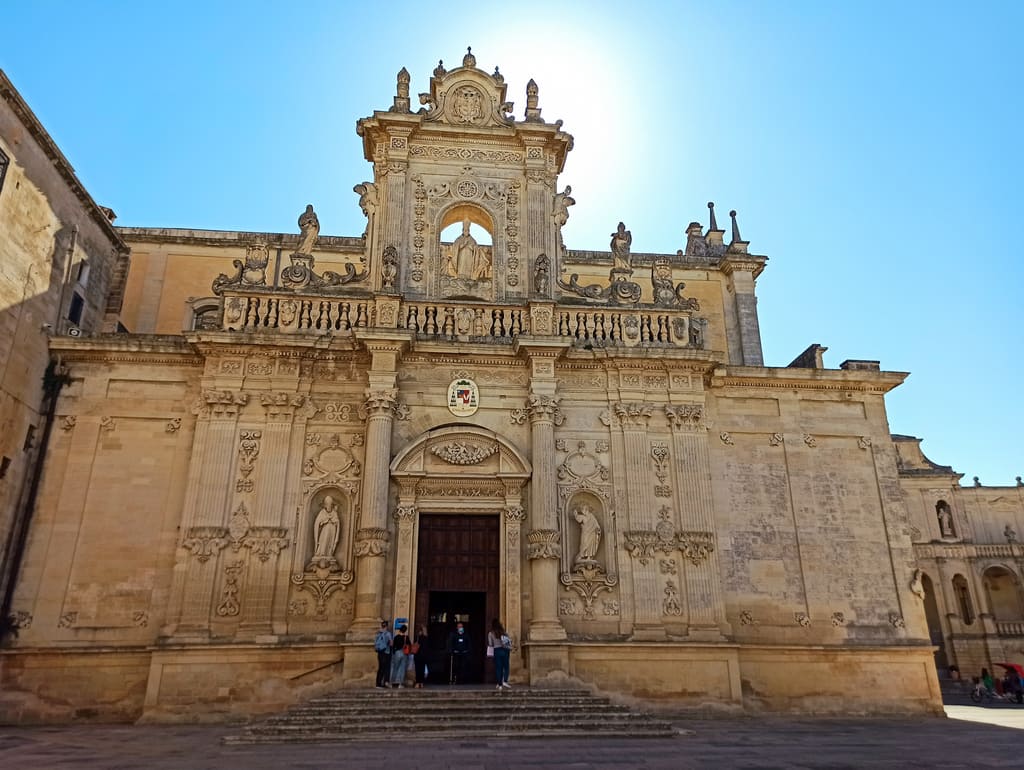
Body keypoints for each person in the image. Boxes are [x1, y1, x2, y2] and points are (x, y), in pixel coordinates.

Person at [311, 495, 340, 561]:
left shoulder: (334, 512)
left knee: (330, 542)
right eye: (327, 504)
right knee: (323, 540)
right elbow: (318, 523)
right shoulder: (322, 512)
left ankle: (329, 553)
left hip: (332, 529)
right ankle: (321, 553)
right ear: (325, 504)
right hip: (325, 529)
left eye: (330, 504)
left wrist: (334, 521)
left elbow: (337, 522)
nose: (329, 505)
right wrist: (325, 520)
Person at [488, 619, 512, 690]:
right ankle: (505, 681)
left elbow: (490, 644)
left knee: (499, 667)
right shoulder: (504, 632)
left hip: (497, 650)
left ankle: (500, 684)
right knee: (506, 666)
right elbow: (508, 641)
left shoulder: (491, 633)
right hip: (505, 650)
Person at [374, 620, 393, 688]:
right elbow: (391, 643)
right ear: (387, 626)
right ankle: (385, 682)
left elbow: (375, 644)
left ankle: (378, 683)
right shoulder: (388, 634)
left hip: (380, 653)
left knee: (380, 668)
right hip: (386, 652)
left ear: (382, 626)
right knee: (386, 668)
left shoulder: (378, 634)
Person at [390, 624, 409, 688]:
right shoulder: (406, 637)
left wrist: (394, 653)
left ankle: (392, 682)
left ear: (400, 630)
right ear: (405, 631)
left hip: (397, 653)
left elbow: (393, 646)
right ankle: (400, 684)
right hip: (404, 653)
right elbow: (409, 645)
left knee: (395, 668)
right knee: (402, 669)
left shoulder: (396, 637)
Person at [413, 624, 429, 688]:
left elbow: (415, 645)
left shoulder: (418, 638)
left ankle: (417, 683)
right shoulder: (426, 638)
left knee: (417, 669)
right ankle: (421, 683)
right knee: (422, 669)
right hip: (424, 656)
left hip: (417, 655)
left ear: (420, 631)